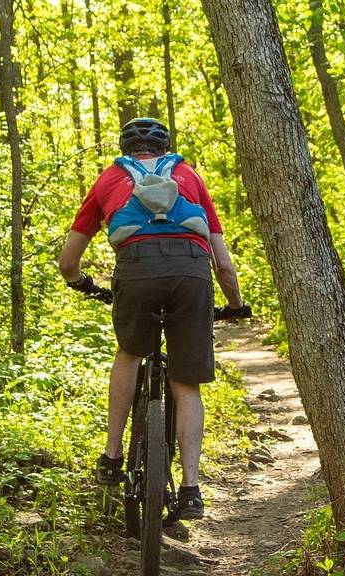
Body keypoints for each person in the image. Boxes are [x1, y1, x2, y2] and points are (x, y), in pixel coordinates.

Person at [58, 117, 249, 519]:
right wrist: (235, 305)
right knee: (186, 381)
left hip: (136, 270)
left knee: (129, 353)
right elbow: (225, 267)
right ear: (165, 148)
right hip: (191, 273)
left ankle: (111, 456)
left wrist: (81, 283)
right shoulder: (188, 176)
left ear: (126, 148)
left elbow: (67, 261)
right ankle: (192, 488)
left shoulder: (109, 179)